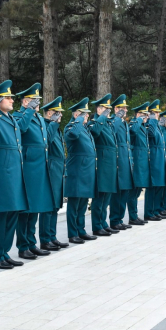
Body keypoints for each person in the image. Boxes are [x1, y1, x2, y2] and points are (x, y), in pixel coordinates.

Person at [0, 80, 28, 269]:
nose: (11, 100)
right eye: (7, 97)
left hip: (14, 169)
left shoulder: (10, 118)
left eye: (10, 97)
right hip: (2, 168)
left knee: (13, 211)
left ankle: (5, 252)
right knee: (2, 213)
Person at [13, 83, 54, 259]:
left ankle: (31, 242)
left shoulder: (37, 117)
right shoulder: (19, 115)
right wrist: (29, 111)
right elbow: (21, 129)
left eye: (37, 100)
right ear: (24, 102)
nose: (36, 103)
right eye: (32, 100)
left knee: (35, 207)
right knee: (26, 210)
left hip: (40, 167)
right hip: (29, 167)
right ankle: (23, 246)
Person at [64, 98, 97, 242]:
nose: (87, 116)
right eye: (84, 113)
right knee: (74, 203)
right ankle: (73, 234)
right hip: (77, 170)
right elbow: (73, 136)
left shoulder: (84, 128)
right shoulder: (71, 127)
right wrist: (78, 120)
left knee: (83, 202)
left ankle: (81, 230)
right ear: (76, 115)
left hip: (86, 170)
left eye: (87, 114)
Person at [38, 96, 69, 250]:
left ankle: (52, 236)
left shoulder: (55, 126)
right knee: (48, 205)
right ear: (50, 113)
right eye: (57, 113)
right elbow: (46, 141)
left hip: (58, 168)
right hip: (50, 168)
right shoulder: (45, 125)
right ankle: (45, 239)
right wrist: (52, 124)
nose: (61, 115)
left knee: (56, 204)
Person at [89, 94, 119, 236]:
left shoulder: (107, 123)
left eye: (109, 109)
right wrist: (101, 117)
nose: (109, 112)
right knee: (100, 196)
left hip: (110, 164)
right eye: (106, 109)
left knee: (107, 196)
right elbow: (94, 132)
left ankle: (103, 223)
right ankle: (96, 225)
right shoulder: (95, 122)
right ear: (99, 110)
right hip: (102, 164)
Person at [109, 95, 135, 231]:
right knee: (117, 193)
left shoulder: (124, 122)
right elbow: (111, 131)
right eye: (122, 108)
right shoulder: (113, 120)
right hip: (118, 161)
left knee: (125, 191)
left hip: (126, 160)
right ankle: (114, 220)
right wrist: (118, 117)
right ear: (116, 109)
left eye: (125, 108)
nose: (125, 110)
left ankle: (119, 218)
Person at [127, 102, 151, 226]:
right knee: (133, 190)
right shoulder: (133, 124)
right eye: (143, 115)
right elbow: (132, 133)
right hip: (136, 162)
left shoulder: (142, 126)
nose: (146, 117)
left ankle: (134, 215)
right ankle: (132, 216)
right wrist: (138, 120)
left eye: (146, 115)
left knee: (138, 191)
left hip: (143, 163)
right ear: (137, 115)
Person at [144, 99, 166, 220]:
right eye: (156, 113)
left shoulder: (156, 124)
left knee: (159, 185)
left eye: (158, 113)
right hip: (154, 157)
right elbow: (151, 134)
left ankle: (156, 209)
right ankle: (149, 212)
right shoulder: (149, 123)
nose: (158, 115)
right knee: (153, 186)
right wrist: (152, 119)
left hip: (159, 157)